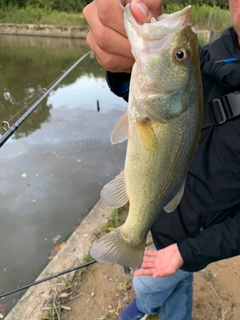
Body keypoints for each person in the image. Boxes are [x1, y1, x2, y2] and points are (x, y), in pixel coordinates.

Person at [83, 0, 240, 319]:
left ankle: (144, 307)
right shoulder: (212, 56)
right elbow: (146, 92)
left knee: (153, 285)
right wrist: (124, 65)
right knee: (173, 286)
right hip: (160, 215)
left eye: (181, 55)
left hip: (197, 241)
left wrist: (186, 253)